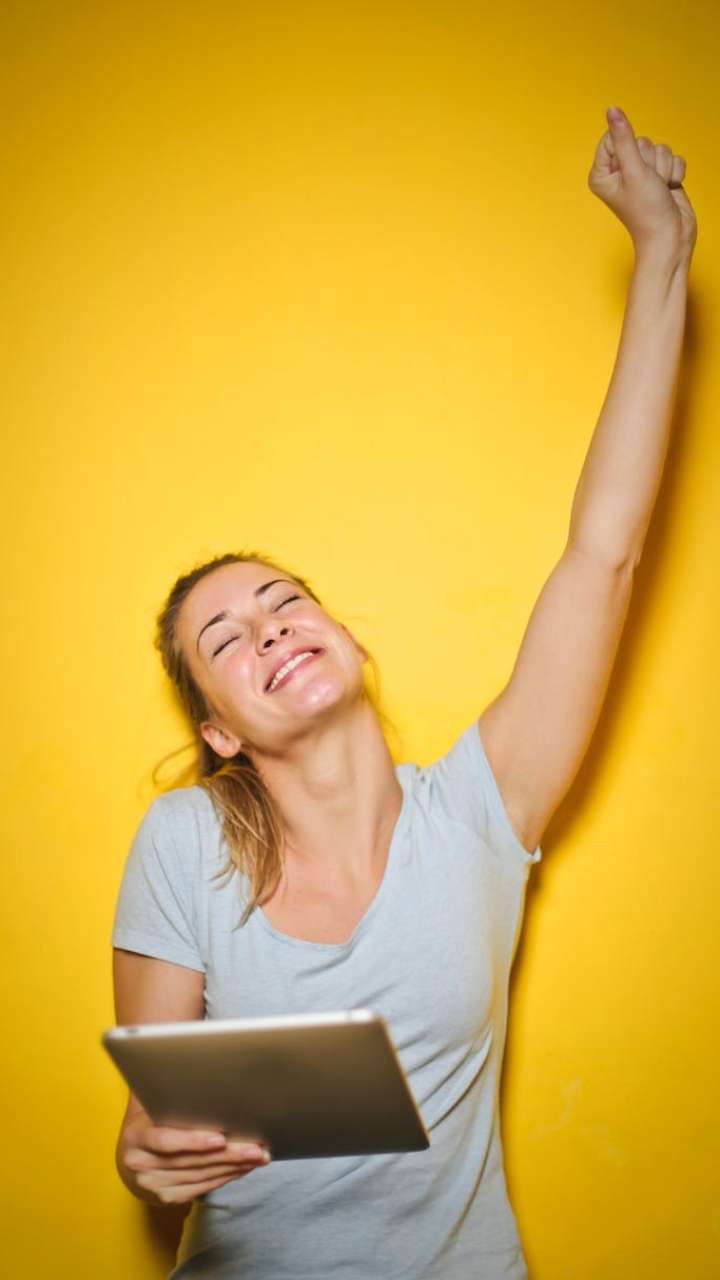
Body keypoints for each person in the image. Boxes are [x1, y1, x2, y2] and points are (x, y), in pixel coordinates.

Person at [111, 106, 697, 1279]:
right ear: (219, 729)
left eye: (284, 599)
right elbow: (149, 1127)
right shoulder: (183, 842)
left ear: (339, 633)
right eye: (226, 637)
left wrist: (662, 253)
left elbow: (605, 551)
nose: (270, 626)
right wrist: (143, 1158)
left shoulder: (481, 808)